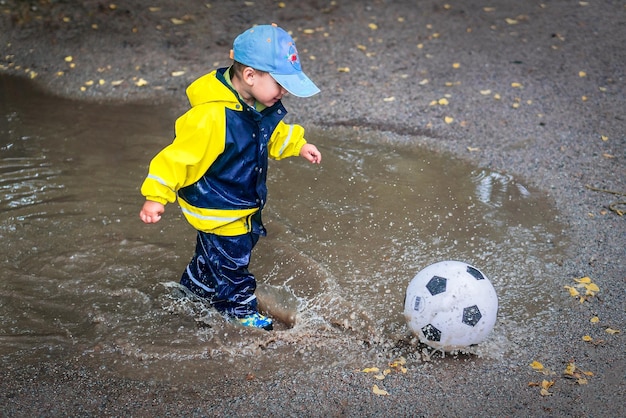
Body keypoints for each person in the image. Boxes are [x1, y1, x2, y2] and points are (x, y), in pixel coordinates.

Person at [139, 24, 322, 331]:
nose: (284, 91)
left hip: (234, 203)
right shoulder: (211, 117)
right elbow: (177, 157)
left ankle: (191, 292)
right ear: (250, 75)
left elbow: (270, 135)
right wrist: (156, 197)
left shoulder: (255, 105)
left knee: (211, 256)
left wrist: (299, 145)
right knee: (234, 267)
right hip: (220, 207)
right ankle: (238, 311)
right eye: (280, 83)